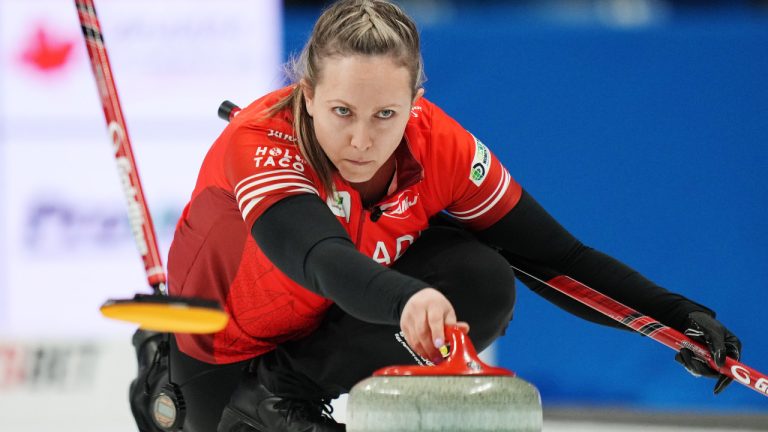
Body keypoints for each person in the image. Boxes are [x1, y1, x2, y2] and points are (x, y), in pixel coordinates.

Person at [129, 1, 742, 431]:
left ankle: (285, 394)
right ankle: (166, 378)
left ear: (415, 103)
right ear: (306, 94)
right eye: (342, 111)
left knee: (482, 277)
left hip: (309, 342)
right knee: (200, 420)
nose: (364, 141)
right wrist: (405, 300)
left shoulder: (438, 144)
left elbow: (555, 259)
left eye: (385, 115)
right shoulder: (260, 144)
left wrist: (674, 318)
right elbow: (321, 258)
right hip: (223, 345)